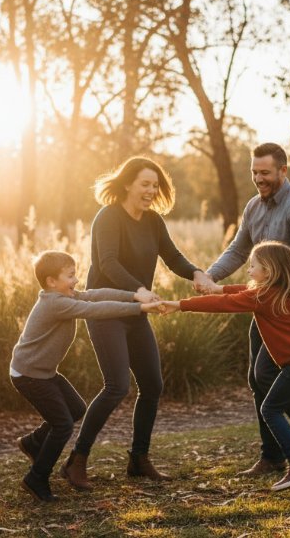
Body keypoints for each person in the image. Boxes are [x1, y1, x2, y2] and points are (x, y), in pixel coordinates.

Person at [192, 142, 290, 476]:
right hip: (264, 300)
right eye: (254, 172)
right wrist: (210, 276)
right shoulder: (253, 207)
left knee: (266, 376)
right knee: (258, 377)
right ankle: (276, 455)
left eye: (265, 172)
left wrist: (278, 278)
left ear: (282, 171)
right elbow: (238, 249)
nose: (259, 178)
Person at [60, 156, 211, 490]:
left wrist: (197, 272)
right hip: (106, 309)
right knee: (117, 386)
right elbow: (107, 263)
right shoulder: (108, 217)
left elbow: (172, 257)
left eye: (155, 185)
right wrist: (140, 290)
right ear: (128, 183)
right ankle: (77, 461)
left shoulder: (153, 221)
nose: (150, 191)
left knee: (152, 384)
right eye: (145, 184)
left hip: (135, 311)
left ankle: (139, 460)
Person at [163, 241, 290, 491]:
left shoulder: (262, 296)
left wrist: (179, 305)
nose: (249, 270)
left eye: (253, 266)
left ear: (270, 271)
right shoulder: (286, 288)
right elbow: (244, 290)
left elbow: (226, 304)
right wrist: (218, 289)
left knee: (271, 409)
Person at [10, 250, 162, 502]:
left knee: (76, 408)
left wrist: (134, 294)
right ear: (51, 282)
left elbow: (97, 294)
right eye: (70, 276)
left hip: (43, 372)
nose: (77, 281)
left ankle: (34, 443)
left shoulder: (62, 294)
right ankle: (36, 478)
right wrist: (140, 308)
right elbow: (97, 309)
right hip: (29, 374)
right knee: (63, 425)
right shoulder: (55, 303)